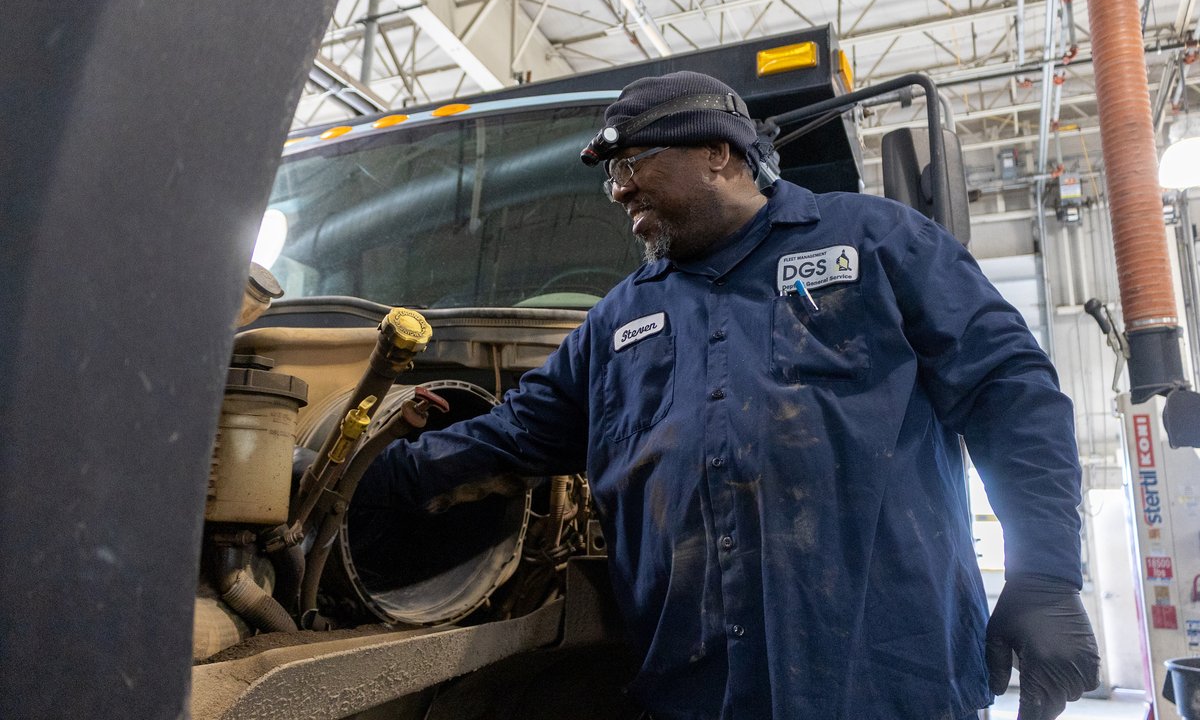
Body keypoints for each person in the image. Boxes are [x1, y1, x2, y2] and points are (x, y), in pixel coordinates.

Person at [357, 71, 1100, 719]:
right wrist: (379, 475)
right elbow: (516, 433)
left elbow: (1012, 393)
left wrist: (1045, 573)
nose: (618, 188)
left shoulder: (876, 242)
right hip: (696, 695)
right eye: (608, 174)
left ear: (719, 152)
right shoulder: (618, 319)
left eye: (632, 160)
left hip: (886, 685)